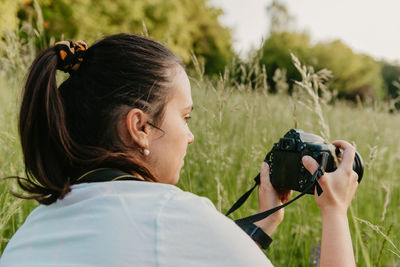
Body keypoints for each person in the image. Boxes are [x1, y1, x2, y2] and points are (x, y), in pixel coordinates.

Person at [0, 34, 359, 267]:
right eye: (184, 117)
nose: (190, 136)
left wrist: (262, 226)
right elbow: (167, 239)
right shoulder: (173, 215)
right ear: (140, 127)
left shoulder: (31, 231)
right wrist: (335, 211)